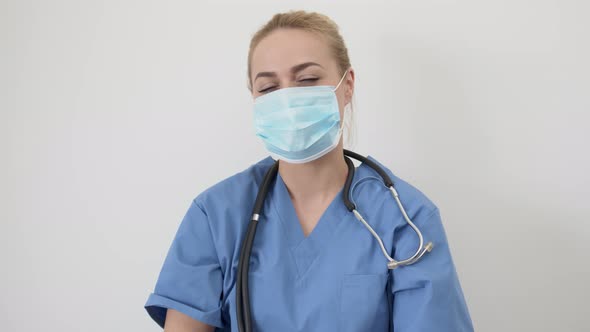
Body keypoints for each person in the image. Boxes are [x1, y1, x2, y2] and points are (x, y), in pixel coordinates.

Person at [144, 10, 474, 332]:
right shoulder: (216, 215)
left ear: (348, 85)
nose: (287, 99)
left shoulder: (405, 218)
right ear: (254, 97)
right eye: (269, 88)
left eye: (307, 80)